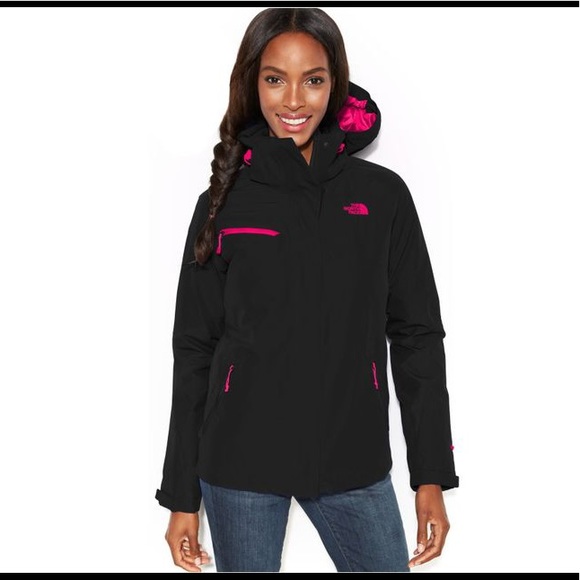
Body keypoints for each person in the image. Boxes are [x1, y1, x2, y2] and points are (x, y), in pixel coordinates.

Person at [155, 7, 459, 573]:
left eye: (312, 80)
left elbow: (417, 336)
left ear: (334, 84)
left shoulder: (382, 197)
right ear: (253, 84)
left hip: (352, 459)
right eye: (275, 79)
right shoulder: (223, 203)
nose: (293, 100)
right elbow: (194, 349)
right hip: (240, 465)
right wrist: (181, 497)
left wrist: (431, 476)